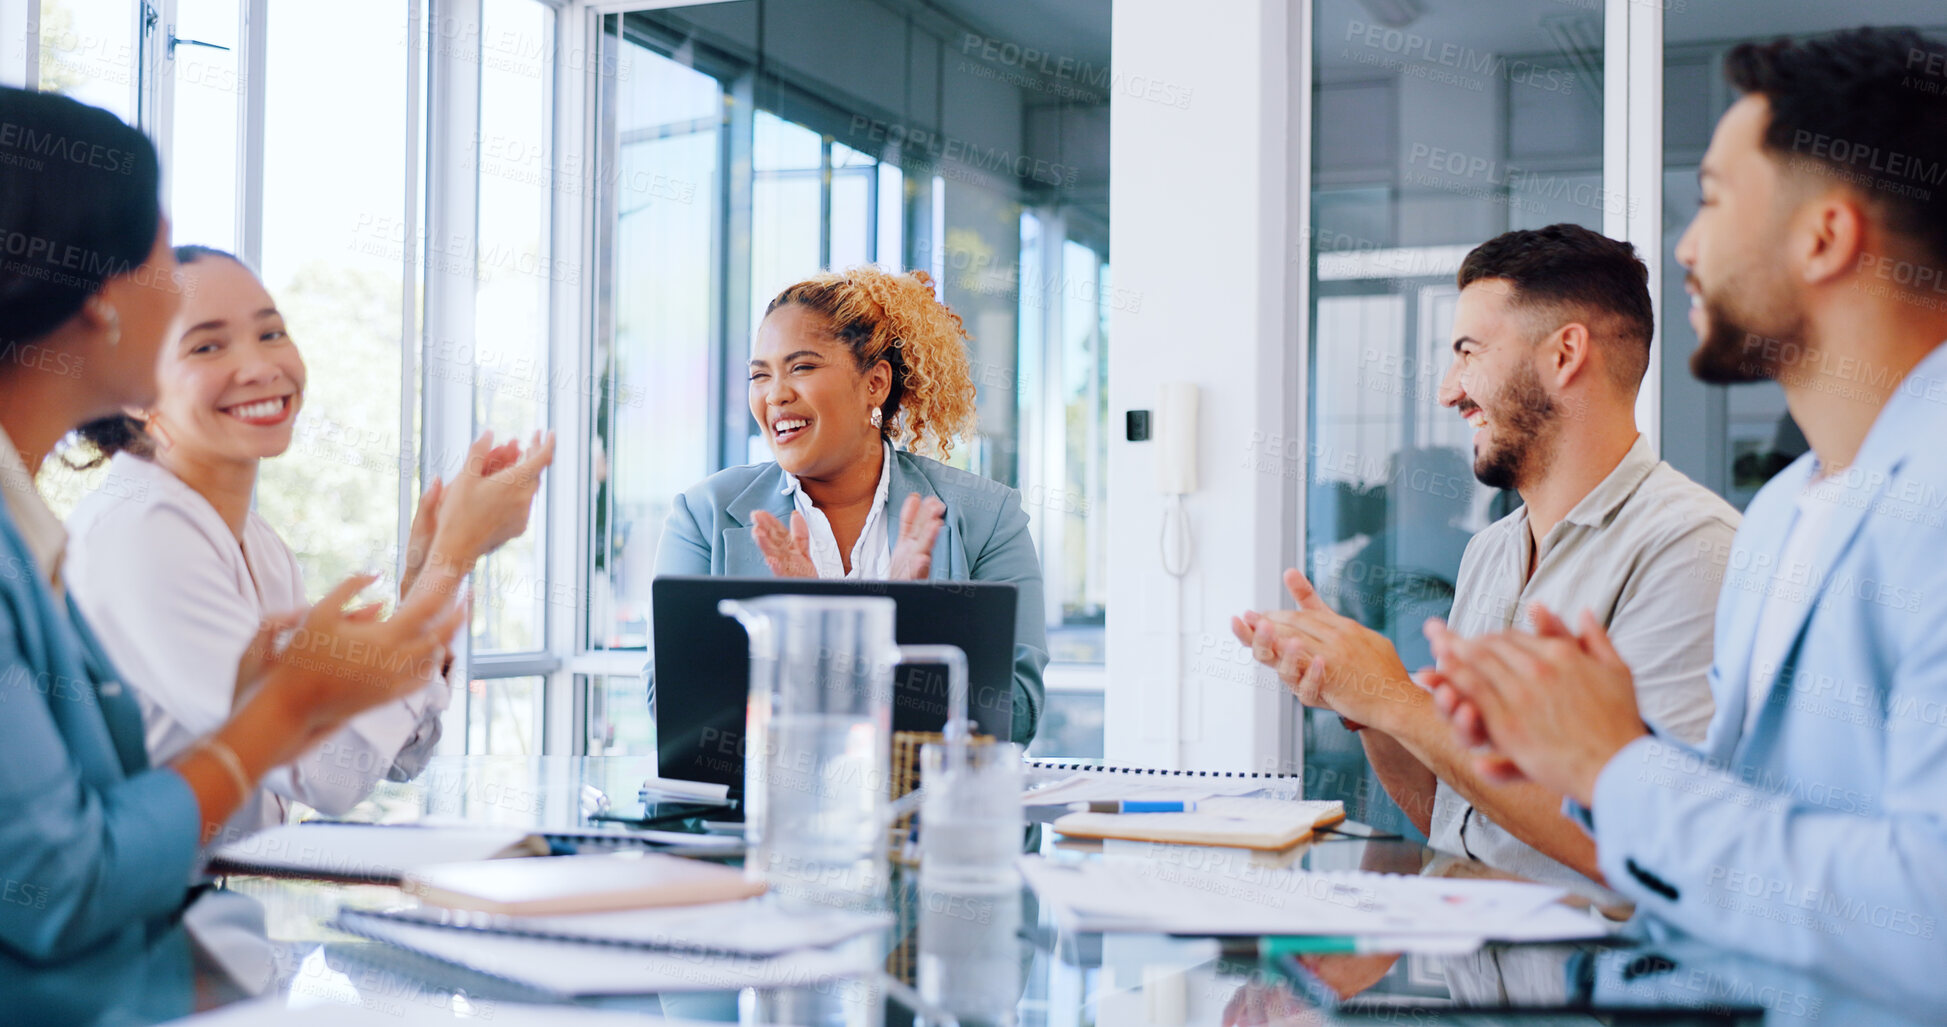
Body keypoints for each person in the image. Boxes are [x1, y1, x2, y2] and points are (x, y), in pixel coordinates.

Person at [1423, 28, 1947, 1005]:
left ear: (1825, 235)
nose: (1686, 246)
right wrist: (1579, 751)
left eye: (1711, 200)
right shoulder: (1791, 507)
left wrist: (1616, 766)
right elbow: (1740, 858)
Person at [0, 88, 531, 1021]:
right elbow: (59, 880)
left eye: (270, 326)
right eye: (162, 265)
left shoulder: (54, 528)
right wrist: (290, 703)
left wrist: (321, 676)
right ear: (97, 300)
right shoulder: (118, 533)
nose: (178, 297)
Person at [1232, 224, 1739, 888]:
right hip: (1473, 977)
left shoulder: (1691, 548)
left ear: (1564, 354)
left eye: (1467, 352)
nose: (1448, 391)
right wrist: (1359, 698)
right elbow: (1459, 821)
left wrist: (1394, 696)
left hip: (1593, 986)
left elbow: (1653, 852)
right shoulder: (1489, 554)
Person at [62, 245, 554, 841]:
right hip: (148, 918)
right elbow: (327, 773)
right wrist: (450, 560)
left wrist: (424, 581)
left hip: (232, 908)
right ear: (138, 389)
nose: (261, 366)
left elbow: (394, 758)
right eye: (207, 346)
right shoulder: (139, 536)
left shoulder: (256, 542)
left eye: (271, 333)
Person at [656, 267, 1048, 742]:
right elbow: (673, 710)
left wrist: (905, 616)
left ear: (875, 384)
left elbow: (1018, 714)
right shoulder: (703, 517)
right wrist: (813, 622)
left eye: (801, 367)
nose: (776, 394)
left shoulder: (988, 517)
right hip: (761, 809)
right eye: (760, 375)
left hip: (924, 813)